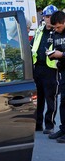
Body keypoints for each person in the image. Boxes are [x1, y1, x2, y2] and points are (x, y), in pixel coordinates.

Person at [31, 5, 59, 134]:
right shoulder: (39, 30)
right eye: (46, 16)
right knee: (38, 99)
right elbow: (33, 46)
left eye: (51, 17)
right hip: (38, 68)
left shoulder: (58, 33)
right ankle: (37, 124)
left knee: (50, 98)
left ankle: (49, 124)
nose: (48, 19)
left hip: (51, 69)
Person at [47, 10, 65, 142]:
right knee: (63, 103)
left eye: (59, 27)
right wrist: (52, 54)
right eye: (54, 28)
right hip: (63, 72)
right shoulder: (55, 34)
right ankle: (63, 129)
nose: (57, 30)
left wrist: (62, 55)